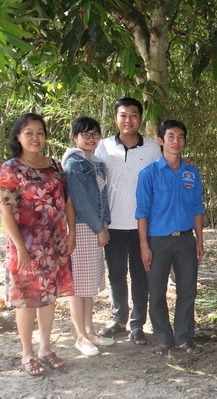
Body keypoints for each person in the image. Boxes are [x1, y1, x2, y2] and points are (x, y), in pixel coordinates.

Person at [0, 113, 75, 375]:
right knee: (27, 300)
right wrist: (20, 247)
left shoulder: (54, 166)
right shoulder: (11, 168)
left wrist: (71, 233)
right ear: (18, 137)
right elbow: (5, 210)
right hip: (26, 246)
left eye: (40, 132)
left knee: (48, 297)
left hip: (53, 243)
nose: (35, 137)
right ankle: (27, 353)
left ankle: (45, 348)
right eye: (29, 132)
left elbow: (66, 202)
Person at [95, 98, 161, 345]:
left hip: (143, 226)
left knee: (140, 275)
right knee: (116, 274)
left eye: (133, 115)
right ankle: (119, 318)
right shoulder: (103, 147)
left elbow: (162, 179)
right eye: (123, 115)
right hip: (112, 224)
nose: (128, 120)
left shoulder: (153, 149)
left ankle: (137, 324)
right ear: (116, 119)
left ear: (140, 119)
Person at [136, 120, 205, 356]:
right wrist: (144, 245)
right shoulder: (148, 174)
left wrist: (199, 239)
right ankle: (163, 338)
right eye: (171, 136)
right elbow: (142, 212)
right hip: (158, 241)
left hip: (186, 240)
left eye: (181, 137)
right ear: (161, 140)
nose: (176, 142)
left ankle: (184, 338)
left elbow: (197, 208)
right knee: (156, 292)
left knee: (188, 290)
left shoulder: (191, 173)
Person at [62, 117, 115, 357]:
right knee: (78, 286)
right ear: (74, 137)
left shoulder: (96, 163)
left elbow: (103, 198)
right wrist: (99, 228)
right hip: (84, 227)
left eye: (95, 134)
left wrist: (105, 222)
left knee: (88, 286)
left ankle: (90, 331)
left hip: (96, 226)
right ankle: (80, 337)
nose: (91, 138)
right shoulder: (74, 164)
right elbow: (80, 202)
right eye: (85, 134)